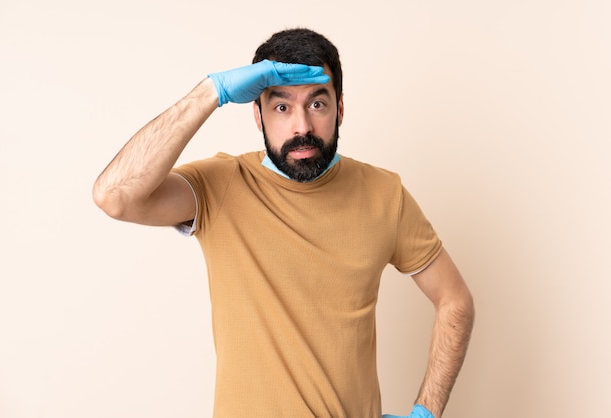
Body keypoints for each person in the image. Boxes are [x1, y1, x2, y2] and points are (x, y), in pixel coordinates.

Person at [92, 28, 474, 418]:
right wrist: (211, 92)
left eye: (317, 104)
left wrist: (426, 412)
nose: (302, 127)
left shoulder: (384, 194)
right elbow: (115, 196)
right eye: (281, 107)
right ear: (256, 115)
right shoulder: (221, 185)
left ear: (340, 109)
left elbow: (454, 300)